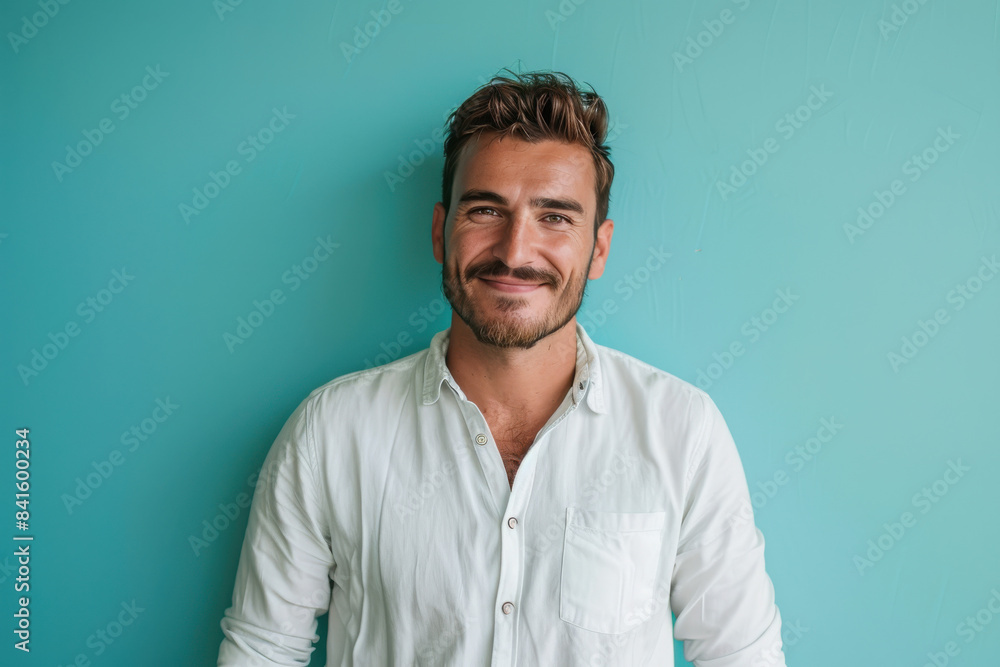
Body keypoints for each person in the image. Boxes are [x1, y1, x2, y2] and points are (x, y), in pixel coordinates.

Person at [217, 69, 786, 666]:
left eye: (557, 217)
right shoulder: (331, 431)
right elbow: (263, 649)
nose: (515, 252)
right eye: (486, 210)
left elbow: (741, 654)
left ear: (598, 248)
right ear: (441, 233)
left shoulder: (683, 431)